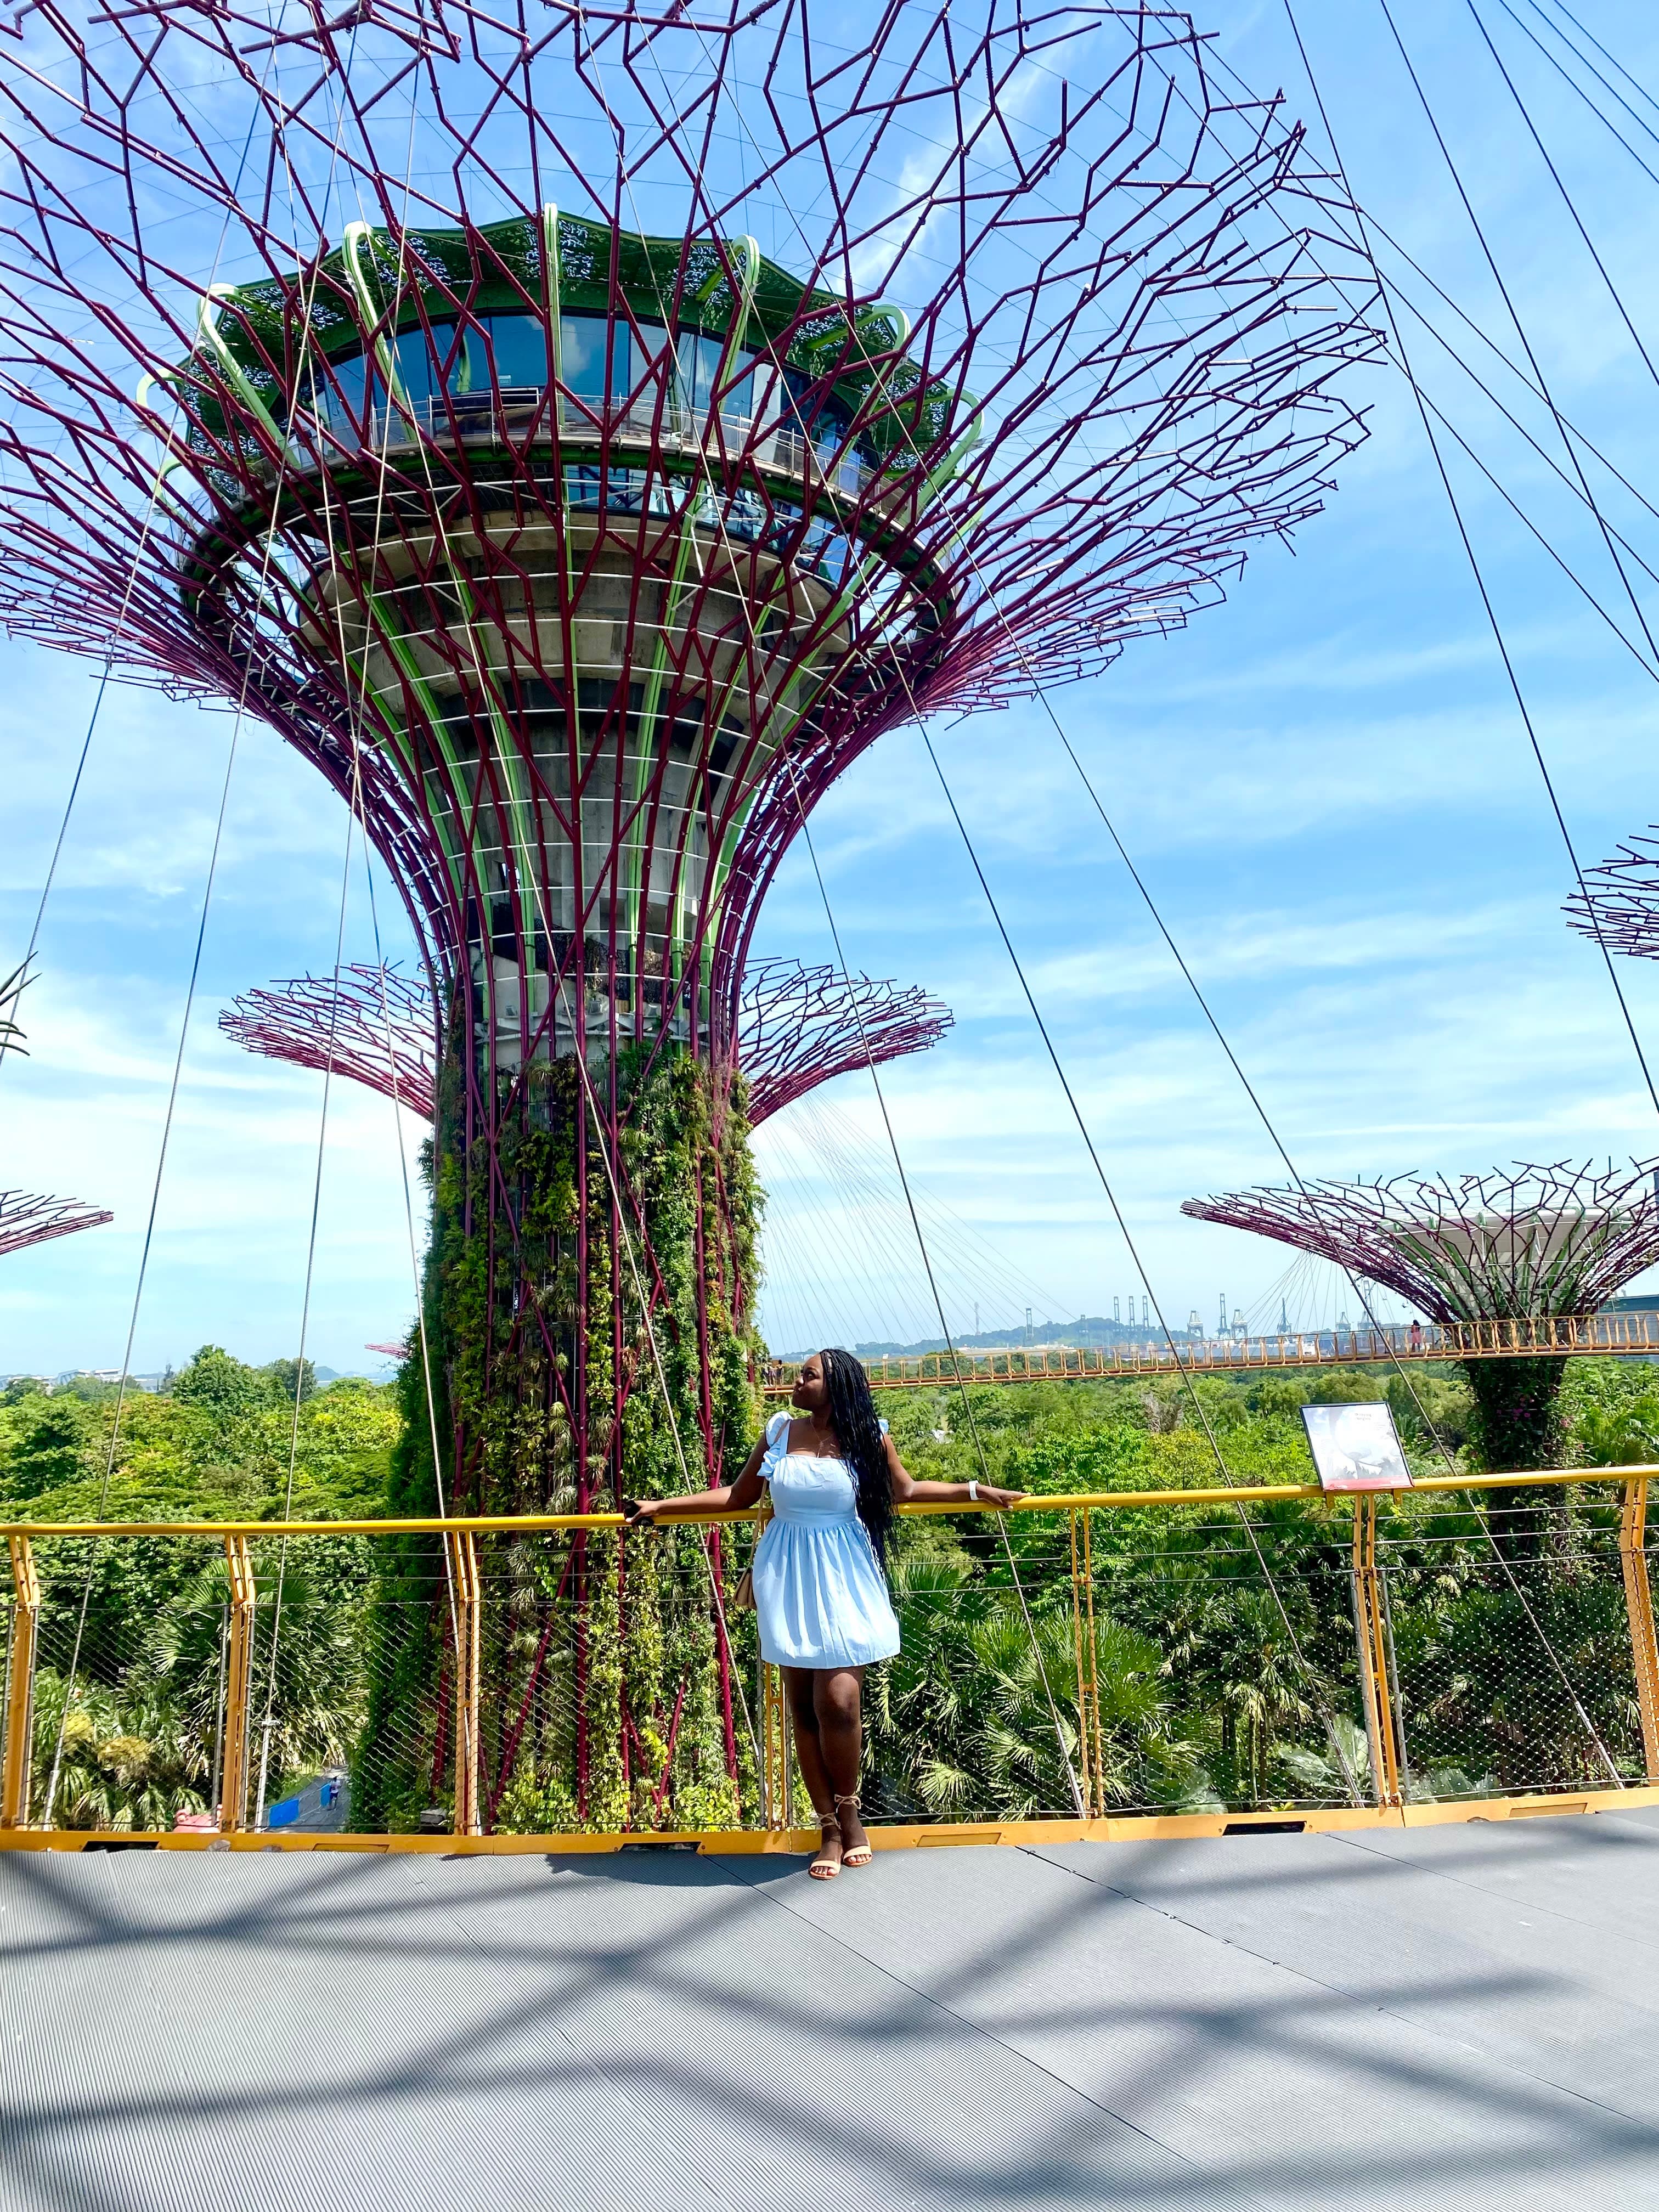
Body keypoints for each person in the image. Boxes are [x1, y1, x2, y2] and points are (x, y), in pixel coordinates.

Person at [625, 1347, 1022, 1878]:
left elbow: (905, 1490)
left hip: (845, 1575)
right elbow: (739, 1497)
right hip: (788, 1574)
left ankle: (851, 1811)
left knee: (839, 1700)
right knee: (805, 1709)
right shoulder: (779, 1432)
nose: (795, 1381)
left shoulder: (868, 1435)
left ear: (835, 1386)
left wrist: (974, 1490)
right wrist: (661, 1507)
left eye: (807, 1376)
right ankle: (829, 1828)